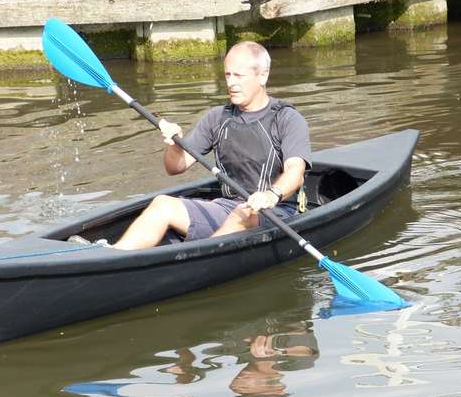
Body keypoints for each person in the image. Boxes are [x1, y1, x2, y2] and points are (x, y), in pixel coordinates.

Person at [110, 41, 311, 250]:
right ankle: (115, 256)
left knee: (244, 213)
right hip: (227, 207)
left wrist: (271, 195)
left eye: (239, 76)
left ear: (263, 76)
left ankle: (197, 259)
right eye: (227, 75)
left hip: (277, 212)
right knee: (162, 204)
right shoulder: (217, 118)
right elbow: (175, 167)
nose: (231, 83)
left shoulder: (287, 119)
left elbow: (295, 172)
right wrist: (174, 144)